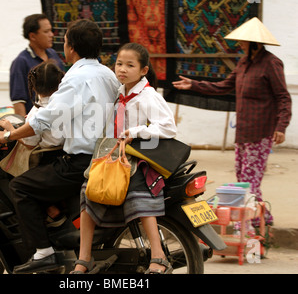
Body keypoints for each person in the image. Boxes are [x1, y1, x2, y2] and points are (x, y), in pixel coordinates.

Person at [0, 19, 120, 274]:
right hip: (105, 155)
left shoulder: (76, 78)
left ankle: (44, 252)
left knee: (20, 187)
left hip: (81, 161)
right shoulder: (107, 74)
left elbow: (44, 119)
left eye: (64, 40)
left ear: (71, 48)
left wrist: (9, 136)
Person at [173, 17, 292, 225]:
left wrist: (281, 126)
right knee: (243, 181)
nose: (240, 44)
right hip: (243, 132)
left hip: (261, 132)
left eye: (243, 40)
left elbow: (283, 96)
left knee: (249, 183)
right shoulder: (244, 62)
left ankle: (247, 226)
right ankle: (264, 219)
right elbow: (222, 87)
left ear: (254, 42)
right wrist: (193, 84)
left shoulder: (272, 63)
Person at [71, 43, 177, 274]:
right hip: (114, 157)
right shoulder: (119, 93)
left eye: (130, 65)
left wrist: (138, 132)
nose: (122, 69)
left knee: (139, 198)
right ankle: (84, 258)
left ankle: (158, 257)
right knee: (87, 192)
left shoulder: (147, 96)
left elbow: (169, 127)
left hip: (139, 158)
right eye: (119, 63)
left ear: (143, 70)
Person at [0, 60, 66, 223]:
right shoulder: (65, 102)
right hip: (64, 153)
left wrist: (10, 130)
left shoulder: (38, 111)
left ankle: (50, 211)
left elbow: (29, 142)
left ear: (33, 86)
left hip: (46, 159)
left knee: (15, 181)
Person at [10, 14, 65, 117]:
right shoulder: (21, 62)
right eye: (46, 31)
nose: (51, 35)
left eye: (51, 30)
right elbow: (18, 101)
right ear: (32, 36)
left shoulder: (53, 55)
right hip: (35, 123)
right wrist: (23, 130)